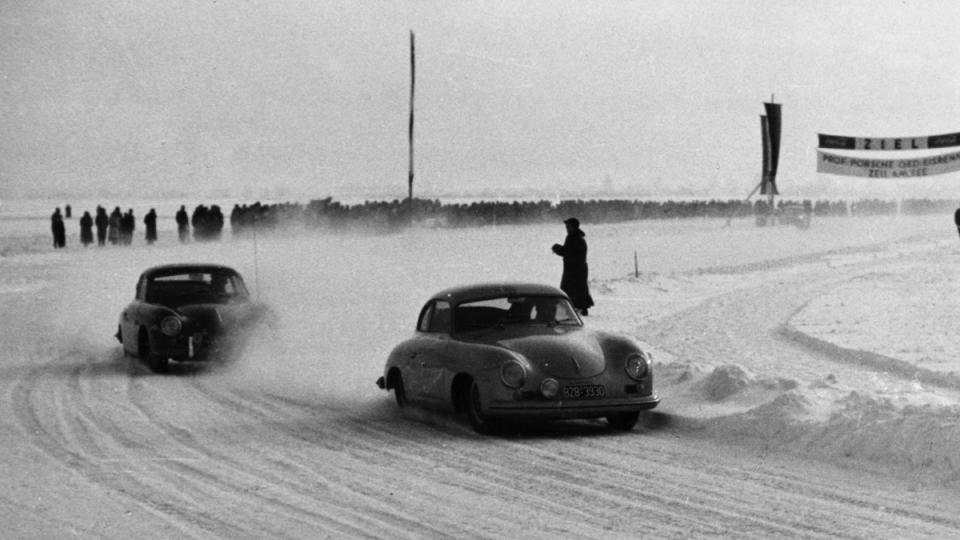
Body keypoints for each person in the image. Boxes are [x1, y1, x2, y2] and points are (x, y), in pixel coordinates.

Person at [551, 217, 594, 315]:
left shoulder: (572, 237)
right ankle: (581, 308)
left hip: (574, 269)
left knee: (570, 289)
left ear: (573, 227)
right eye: (566, 226)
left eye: (568, 226)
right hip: (579, 268)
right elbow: (570, 252)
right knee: (579, 289)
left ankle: (572, 310)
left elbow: (568, 252)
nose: (566, 228)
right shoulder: (578, 237)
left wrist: (557, 248)